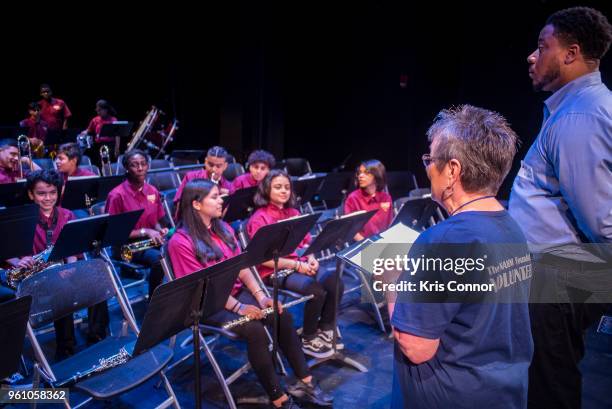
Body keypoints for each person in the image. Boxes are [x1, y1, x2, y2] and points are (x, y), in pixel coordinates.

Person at [390, 105, 533, 409]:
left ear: (453, 170)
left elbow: (415, 346)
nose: (427, 168)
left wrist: (390, 280)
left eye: (431, 159)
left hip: (451, 394)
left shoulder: (444, 241)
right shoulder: (512, 227)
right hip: (503, 392)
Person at [508, 7, 612, 409]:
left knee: (549, 387)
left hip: (556, 280)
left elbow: (601, 224)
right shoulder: (574, 109)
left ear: (571, 53)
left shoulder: (579, 117)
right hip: (557, 276)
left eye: (542, 46)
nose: (532, 56)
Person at [167, 179, 333, 409]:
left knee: (279, 314)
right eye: (215, 197)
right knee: (254, 329)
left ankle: (306, 382)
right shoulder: (180, 241)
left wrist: (261, 296)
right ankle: (278, 399)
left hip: (234, 295)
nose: (221, 201)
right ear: (196, 204)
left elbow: (243, 266)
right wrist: (240, 308)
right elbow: (202, 287)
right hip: (205, 304)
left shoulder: (223, 228)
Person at [247, 169, 343, 358]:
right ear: (267, 190)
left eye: (287, 187)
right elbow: (261, 259)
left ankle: (324, 328)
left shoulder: (293, 212)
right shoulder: (259, 218)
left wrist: (312, 258)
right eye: (278, 187)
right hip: (274, 271)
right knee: (316, 291)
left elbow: (307, 243)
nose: (284, 191)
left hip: (302, 263)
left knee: (336, 283)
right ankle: (308, 337)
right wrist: (297, 266)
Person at [4, 170, 97, 357]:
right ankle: (66, 349)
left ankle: (98, 338)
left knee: (96, 279)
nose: (48, 198)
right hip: (31, 277)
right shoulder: (19, 218)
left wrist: (69, 266)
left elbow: (74, 249)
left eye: (52, 192)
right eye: (41, 193)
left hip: (61, 270)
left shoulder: (67, 215)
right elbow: (4, 251)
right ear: (31, 194)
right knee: (61, 289)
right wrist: (18, 260)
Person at [105, 149, 168, 298]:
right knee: (159, 261)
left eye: (143, 164)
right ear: (127, 168)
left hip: (149, 241)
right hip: (125, 248)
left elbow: (156, 221)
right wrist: (145, 231)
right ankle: (155, 302)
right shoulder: (116, 195)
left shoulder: (152, 190)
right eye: (134, 165)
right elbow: (113, 233)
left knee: (177, 248)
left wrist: (160, 231)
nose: (140, 168)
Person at [343, 159, 393, 241]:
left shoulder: (386, 197)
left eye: (366, 173)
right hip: (362, 245)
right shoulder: (353, 198)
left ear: (377, 175)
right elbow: (350, 229)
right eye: (359, 173)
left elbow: (390, 225)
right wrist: (368, 244)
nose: (360, 176)